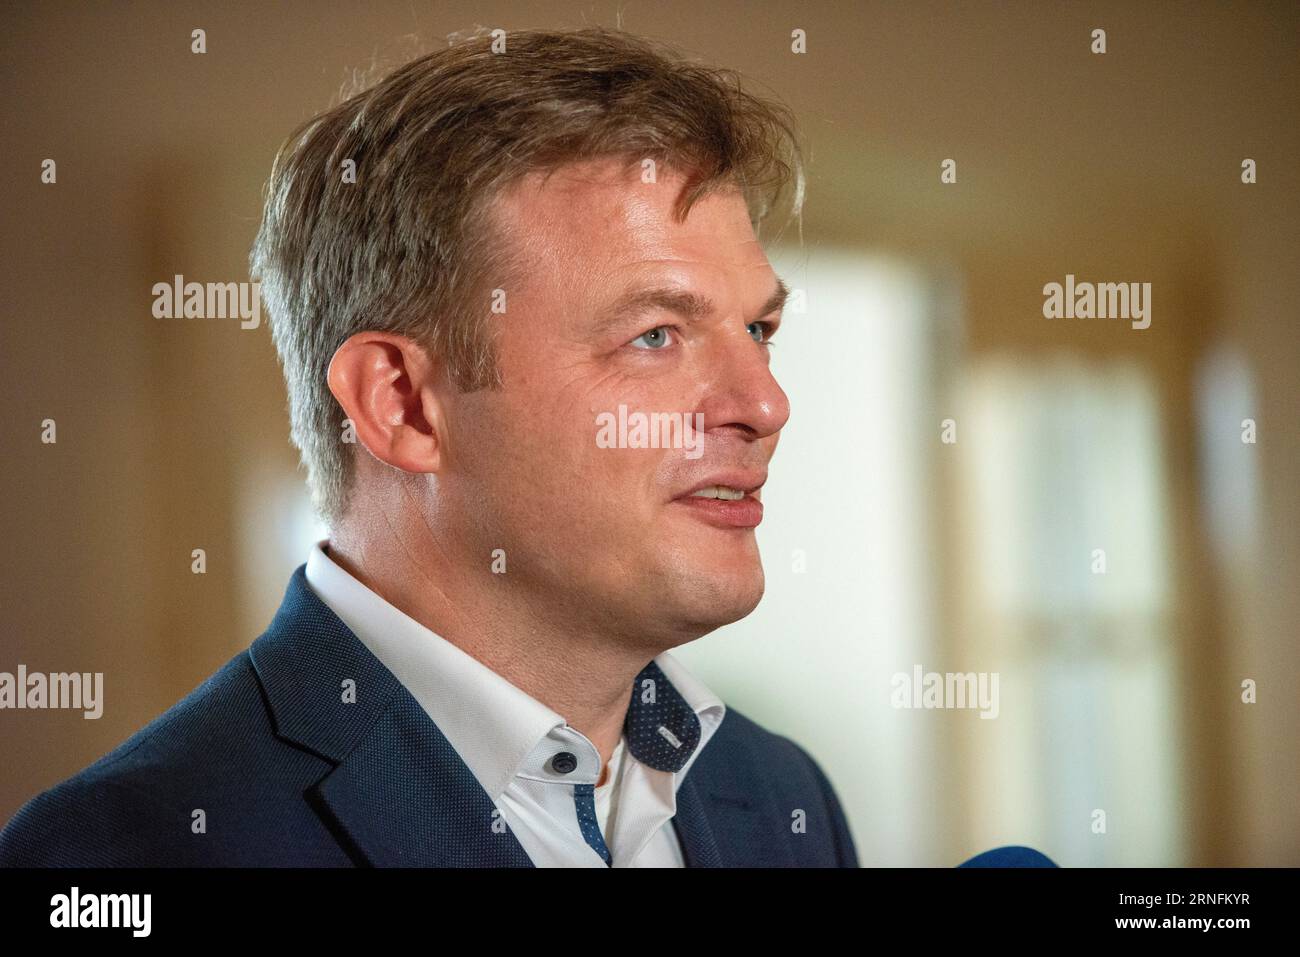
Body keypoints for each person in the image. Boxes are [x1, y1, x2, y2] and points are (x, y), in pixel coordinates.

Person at [0, 25, 857, 867]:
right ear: (402, 404)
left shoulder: (783, 799)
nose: (766, 403)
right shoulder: (129, 850)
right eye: (656, 335)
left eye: (758, 326)